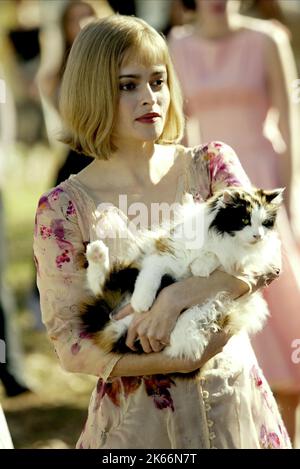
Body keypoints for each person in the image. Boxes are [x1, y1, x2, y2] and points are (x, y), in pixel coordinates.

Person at [33, 15, 291, 449]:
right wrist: (178, 358)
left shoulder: (210, 166)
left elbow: (269, 258)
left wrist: (178, 297)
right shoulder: (61, 208)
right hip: (137, 430)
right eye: (128, 85)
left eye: (158, 80)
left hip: (234, 406)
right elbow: (70, 346)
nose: (150, 97)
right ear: (92, 91)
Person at [168, 0, 300, 445]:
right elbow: (180, 128)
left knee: (285, 314)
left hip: (265, 190)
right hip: (213, 197)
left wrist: (287, 200)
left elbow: (289, 120)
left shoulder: (269, 38)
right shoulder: (177, 44)